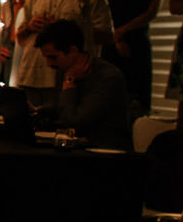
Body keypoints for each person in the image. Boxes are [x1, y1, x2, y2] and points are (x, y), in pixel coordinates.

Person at [14, 0, 112, 109]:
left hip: (69, 79)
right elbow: (20, 39)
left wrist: (68, 29)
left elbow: (107, 36)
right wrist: (29, 28)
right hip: (32, 76)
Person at [33, 19, 130, 151]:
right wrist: (36, 110)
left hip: (103, 152)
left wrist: (69, 82)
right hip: (78, 148)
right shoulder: (64, 69)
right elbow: (62, 106)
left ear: (73, 51)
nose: (48, 63)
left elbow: (73, 121)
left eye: (53, 57)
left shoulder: (107, 76)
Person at [101, 0, 162, 114]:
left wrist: (124, 30)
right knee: (111, 90)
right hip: (113, 41)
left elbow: (151, 12)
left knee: (138, 91)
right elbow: (104, 12)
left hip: (137, 40)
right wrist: (117, 38)